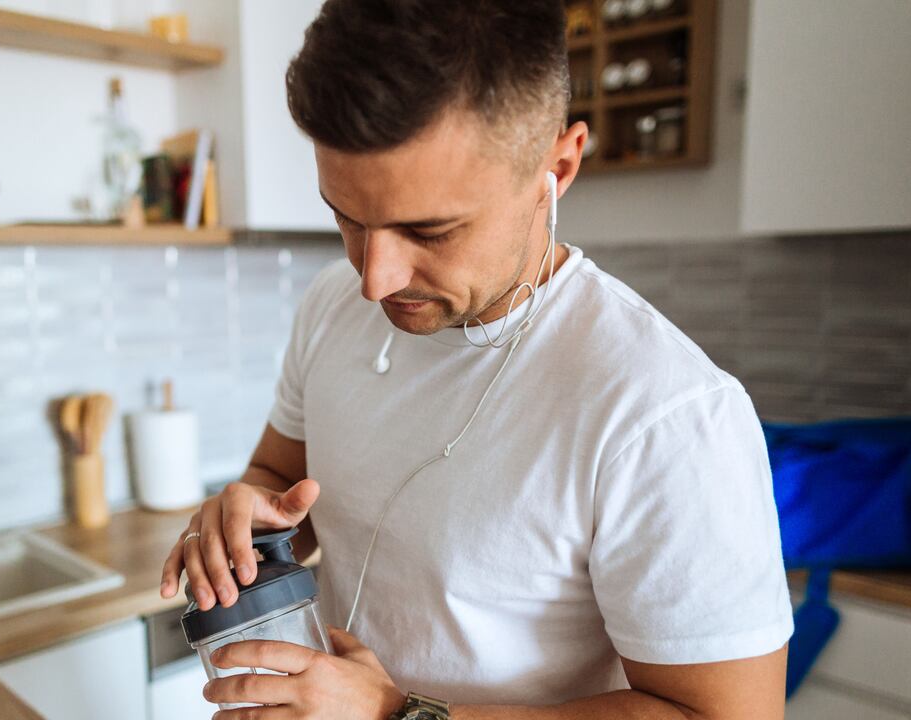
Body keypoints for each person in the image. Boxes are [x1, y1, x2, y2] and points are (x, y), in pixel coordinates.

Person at [159, 1, 793, 717]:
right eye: (348, 218)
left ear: (558, 167)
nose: (376, 278)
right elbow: (279, 480)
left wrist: (399, 715)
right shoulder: (332, 306)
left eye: (429, 230)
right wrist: (242, 521)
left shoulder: (665, 412)